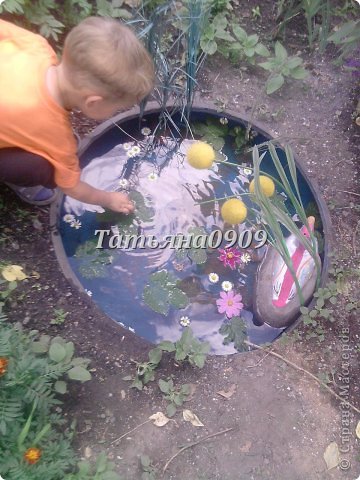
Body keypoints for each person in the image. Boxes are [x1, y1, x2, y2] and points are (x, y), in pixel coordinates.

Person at [0, 16, 155, 212]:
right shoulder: (56, 137)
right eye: (116, 108)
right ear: (93, 102)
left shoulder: (34, 44)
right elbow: (71, 187)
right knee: (44, 167)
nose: (116, 112)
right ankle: (22, 180)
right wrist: (108, 199)